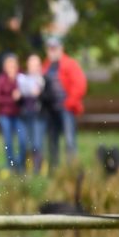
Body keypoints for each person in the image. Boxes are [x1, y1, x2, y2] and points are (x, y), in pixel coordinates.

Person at [42, 36, 87, 168]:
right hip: (51, 109)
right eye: (50, 49)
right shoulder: (46, 66)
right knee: (52, 140)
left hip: (66, 108)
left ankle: (71, 168)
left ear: (61, 49)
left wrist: (69, 103)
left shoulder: (70, 64)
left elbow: (80, 85)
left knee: (69, 140)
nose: (52, 51)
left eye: (54, 48)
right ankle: (54, 168)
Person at [0, 54, 26, 171]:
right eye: (9, 64)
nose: (12, 67)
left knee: (22, 140)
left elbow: (27, 95)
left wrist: (21, 96)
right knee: (8, 141)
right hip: (5, 115)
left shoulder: (21, 78)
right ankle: (10, 165)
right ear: (5, 67)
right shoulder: (0, 79)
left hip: (19, 115)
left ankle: (21, 164)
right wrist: (12, 99)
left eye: (13, 64)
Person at [16, 54, 46, 172]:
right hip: (25, 115)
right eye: (31, 65)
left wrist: (40, 94)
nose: (33, 68)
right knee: (25, 143)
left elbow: (49, 99)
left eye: (36, 65)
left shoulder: (44, 80)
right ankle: (24, 169)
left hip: (38, 116)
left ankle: (37, 170)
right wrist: (18, 96)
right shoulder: (22, 79)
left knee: (37, 144)